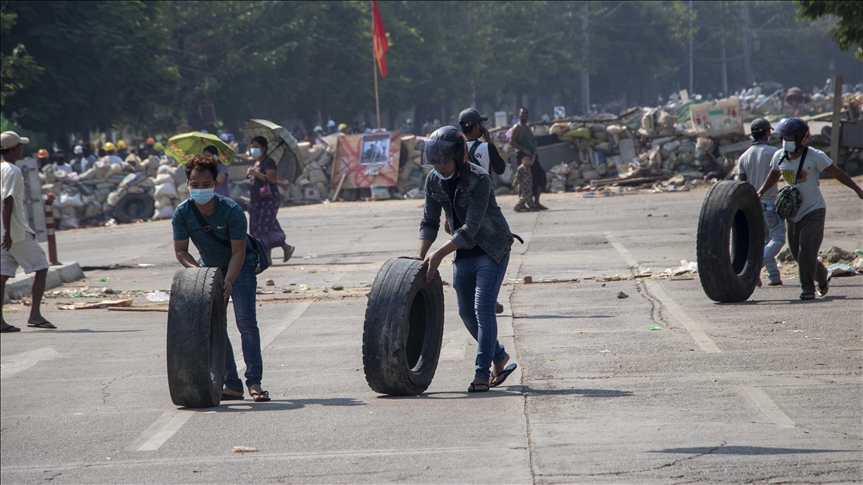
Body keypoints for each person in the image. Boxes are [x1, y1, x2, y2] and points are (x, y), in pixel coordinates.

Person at [416, 126, 519, 392]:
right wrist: (420, 257)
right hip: (462, 252)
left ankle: (482, 373)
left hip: (491, 249)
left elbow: (471, 228)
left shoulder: (479, 179)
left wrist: (439, 254)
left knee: (483, 309)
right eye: (434, 161)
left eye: (443, 160)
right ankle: (499, 356)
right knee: (465, 312)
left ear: (459, 156)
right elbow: (429, 221)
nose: (438, 166)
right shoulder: (433, 180)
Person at [172, 155, 269, 401]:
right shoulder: (182, 213)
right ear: (187, 184)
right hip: (208, 269)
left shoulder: (232, 210)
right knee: (214, 327)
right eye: (195, 184)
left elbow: (238, 252)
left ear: (215, 184)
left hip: (241, 266)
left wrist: (229, 281)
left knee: (246, 323)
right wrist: (199, 274)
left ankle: (254, 382)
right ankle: (232, 384)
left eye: (206, 184)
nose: (200, 189)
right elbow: (181, 251)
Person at [757, 117, 863, 300]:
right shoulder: (779, 156)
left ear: (801, 139)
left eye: (789, 138)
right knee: (797, 254)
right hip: (792, 213)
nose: (785, 142)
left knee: (806, 250)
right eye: (783, 138)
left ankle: (807, 290)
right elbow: (774, 174)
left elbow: (837, 173)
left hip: (813, 211)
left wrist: (858, 190)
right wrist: (761, 191)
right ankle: (822, 276)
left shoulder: (815, 156)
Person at [1, 131, 57, 332]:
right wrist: (8, 231)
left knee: (2, 274)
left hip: (3, 232)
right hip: (15, 232)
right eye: (20, 147)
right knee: (41, 267)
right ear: (15, 148)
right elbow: (7, 201)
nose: (22, 150)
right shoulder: (13, 171)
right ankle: (35, 315)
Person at [737, 119, 783, 286]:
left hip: (752, 206)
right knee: (778, 238)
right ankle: (753, 268)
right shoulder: (774, 153)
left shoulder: (744, 156)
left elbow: (742, 184)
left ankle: (774, 277)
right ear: (767, 133)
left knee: (764, 240)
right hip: (770, 203)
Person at [246, 136, 295, 263]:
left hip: (268, 199)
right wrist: (250, 203)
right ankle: (268, 257)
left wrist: (255, 173)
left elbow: (272, 180)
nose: (253, 149)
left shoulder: (268, 162)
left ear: (263, 148)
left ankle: (281, 248)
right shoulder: (257, 163)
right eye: (252, 146)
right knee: (257, 228)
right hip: (256, 201)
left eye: (256, 147)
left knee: (264, 228)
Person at [509, 107, 548, 210]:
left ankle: (536, 202)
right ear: (518, 115)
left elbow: (534, 140)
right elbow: (511, 141)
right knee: (525, 182)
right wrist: (523, 149)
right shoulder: (517, 127)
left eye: (526, 113)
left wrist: (535, 149)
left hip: (532, 157)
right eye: (522, 113)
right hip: (523, 158)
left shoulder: (528, 126)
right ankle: (524, 203)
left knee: (540, 177)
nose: (524, 115)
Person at [459, 108, 506, 176]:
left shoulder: (458, 148)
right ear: (477, 125)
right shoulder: (488, 147)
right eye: (481, 123)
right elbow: (500, 170)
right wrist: (488, 141)